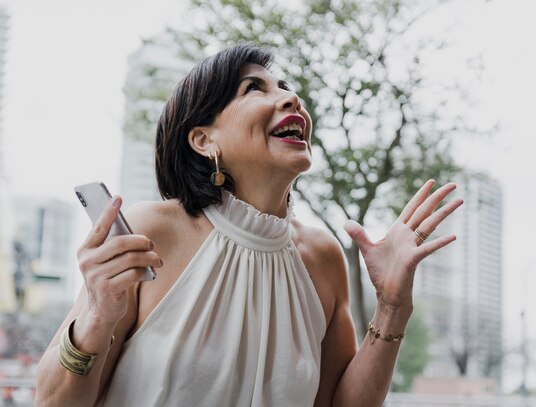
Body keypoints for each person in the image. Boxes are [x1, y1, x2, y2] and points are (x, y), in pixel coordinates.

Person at [35, 43, 463, 406]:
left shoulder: (323, 257)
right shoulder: (150, 232)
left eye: (287, 88)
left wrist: (392, 308)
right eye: (253, 89)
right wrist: (96, 316)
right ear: (204, 140)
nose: (291, 99)